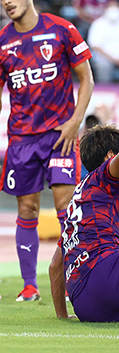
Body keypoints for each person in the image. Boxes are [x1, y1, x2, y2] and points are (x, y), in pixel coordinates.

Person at [0, 0, 94, 303]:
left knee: (65, 204)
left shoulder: (62, 30)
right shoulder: (0, 45)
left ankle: (79, 276)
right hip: (21, 141)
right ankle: (30, 286)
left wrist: (75, 121)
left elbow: (86, 78)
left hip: (60, 135)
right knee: (27, 208)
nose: (7, 1)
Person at [49, 124, 119, 322]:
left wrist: (62, 316)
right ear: (110, 156)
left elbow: (55, 266)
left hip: (85, 305)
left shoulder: (80, 199)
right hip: (107, 274)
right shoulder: (105, 175)